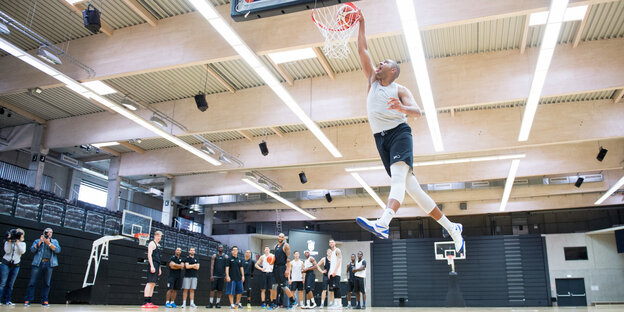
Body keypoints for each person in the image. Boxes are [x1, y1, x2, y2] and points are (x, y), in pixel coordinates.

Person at [354, 10, 464, 254]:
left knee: (397, 179)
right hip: (380, 139)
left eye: (385, 63)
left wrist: (402, 107)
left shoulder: (399, 88)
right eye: (379, 62)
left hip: (399, 134)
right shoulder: (372, 79)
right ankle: (452, 228)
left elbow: (418, 112)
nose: (379, 64)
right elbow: (363, 50)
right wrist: (362, 22)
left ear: (393, 71)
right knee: (414, 190)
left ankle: (383, 223)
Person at [24, 228, 60, 307]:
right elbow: (32, 250)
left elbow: (57, 250)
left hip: (49, 264)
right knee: (32, 282)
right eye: (47, 232)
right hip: (38, 263)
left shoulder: (54, 241)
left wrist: (49, 244)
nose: (49, 233)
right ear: (44, 233)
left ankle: (45, 300)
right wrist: (40, 241)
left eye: (51, 232)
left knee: (47, 283)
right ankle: (28, 300)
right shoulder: (37, 240)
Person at [271, 233, 296, 309]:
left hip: (282, 268)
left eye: (282, 237)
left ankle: (293, 301)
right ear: (278, 237)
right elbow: (275, 258)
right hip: (275, 268)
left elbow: (288, 259)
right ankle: (274, 304)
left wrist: (288, 270)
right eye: (279, 236)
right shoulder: (275, 246)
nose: (280, 238)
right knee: (274, 286)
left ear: (284, 238)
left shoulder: (286, 245)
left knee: (283, 286)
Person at [0, 229, 25, 306]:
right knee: (3, 283)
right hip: (6, 263)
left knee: (10, 284)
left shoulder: (23, 244)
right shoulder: (8, 241)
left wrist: (17, 243)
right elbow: (7, 251)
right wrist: (9, 241)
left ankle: (7, 300)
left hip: (15, 265)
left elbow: (22, 252)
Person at [142, 231, 163, 308]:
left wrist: (159, 268)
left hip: (157, 264)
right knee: (149, 282)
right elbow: (149, 255)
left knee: (153, 284)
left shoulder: (158, 245)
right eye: (158, 236)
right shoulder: (152, 243)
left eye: (160, 236)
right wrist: (152, 266)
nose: (159, 237)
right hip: (153, 264)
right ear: (155, 236)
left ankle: (149, 301)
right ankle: (145, 302)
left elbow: (158, 258)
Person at [327, 240, 342, 309]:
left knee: (337, 287)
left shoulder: (337, 250)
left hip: (336, 273)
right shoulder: (331, 252)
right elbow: (332, 264)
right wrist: (329, 272)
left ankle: (339, 304)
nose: (331, 243)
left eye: (332, 242)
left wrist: (335, 271)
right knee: (334, 288)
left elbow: (339, 261)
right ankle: (335, 303)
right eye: (330, 243)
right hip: (332, 272)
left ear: (335, 243)